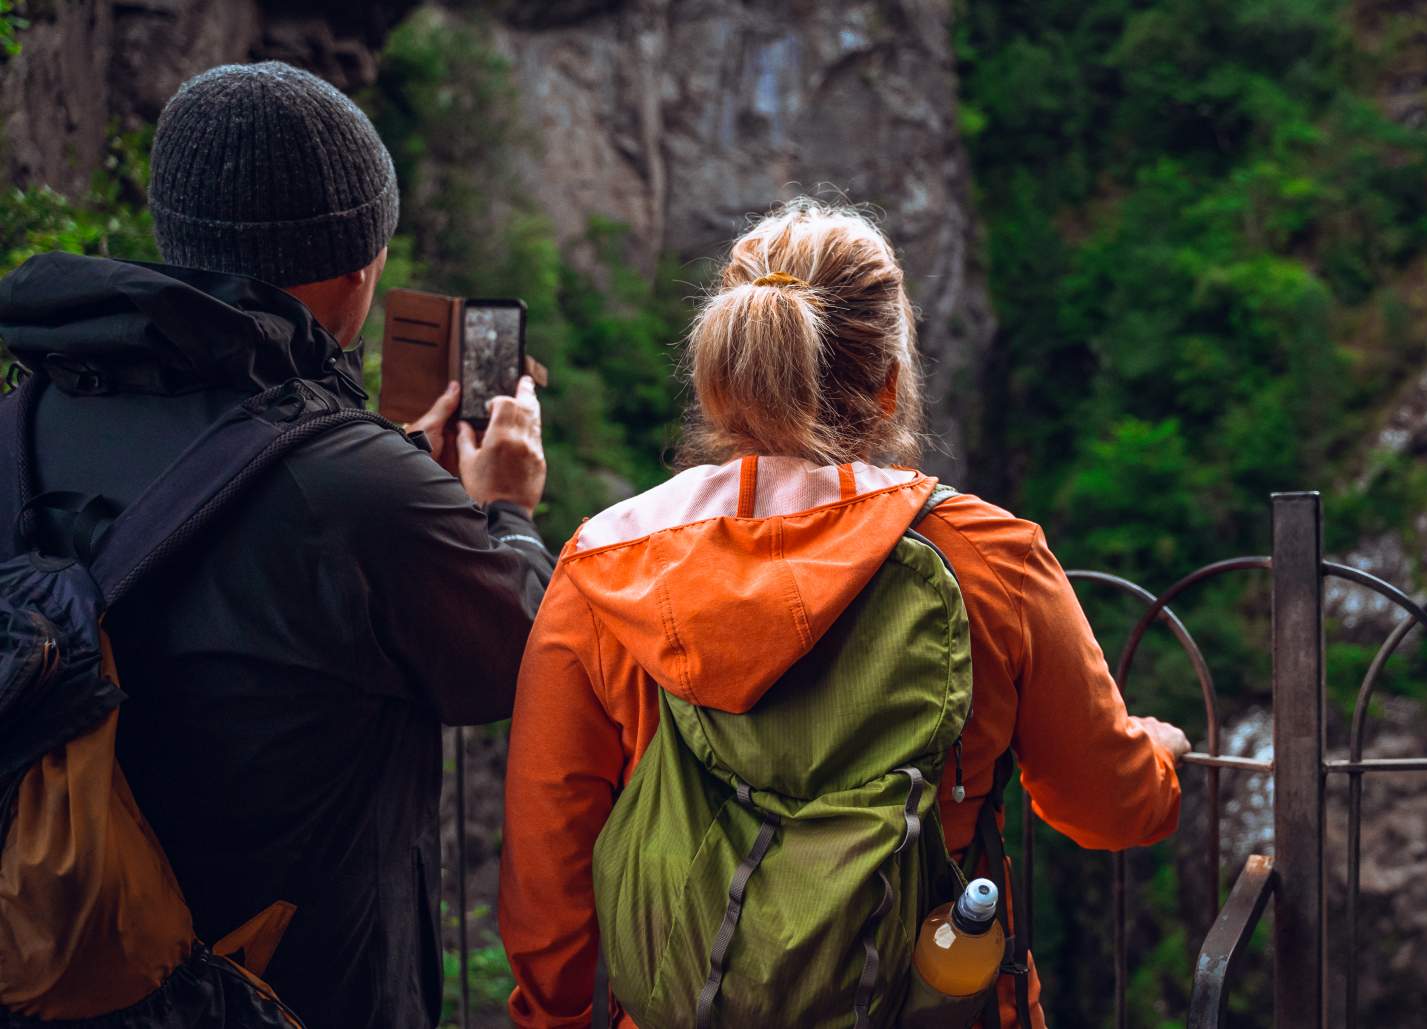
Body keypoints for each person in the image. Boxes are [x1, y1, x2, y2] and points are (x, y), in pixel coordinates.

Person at [498, 198, 1190, 1027]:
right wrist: (1157, 754)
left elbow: (547, 880)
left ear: (725, 379)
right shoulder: (992, 558)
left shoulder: (603, 569)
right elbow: (1107, 807)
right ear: (891, 381)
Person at [0, 62, 553, 1027]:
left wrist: (392, 470)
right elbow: (522, 658)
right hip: (283, 995)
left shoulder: (21, 421)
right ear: (355, 264)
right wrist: (504, 508)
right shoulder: (357, 494)